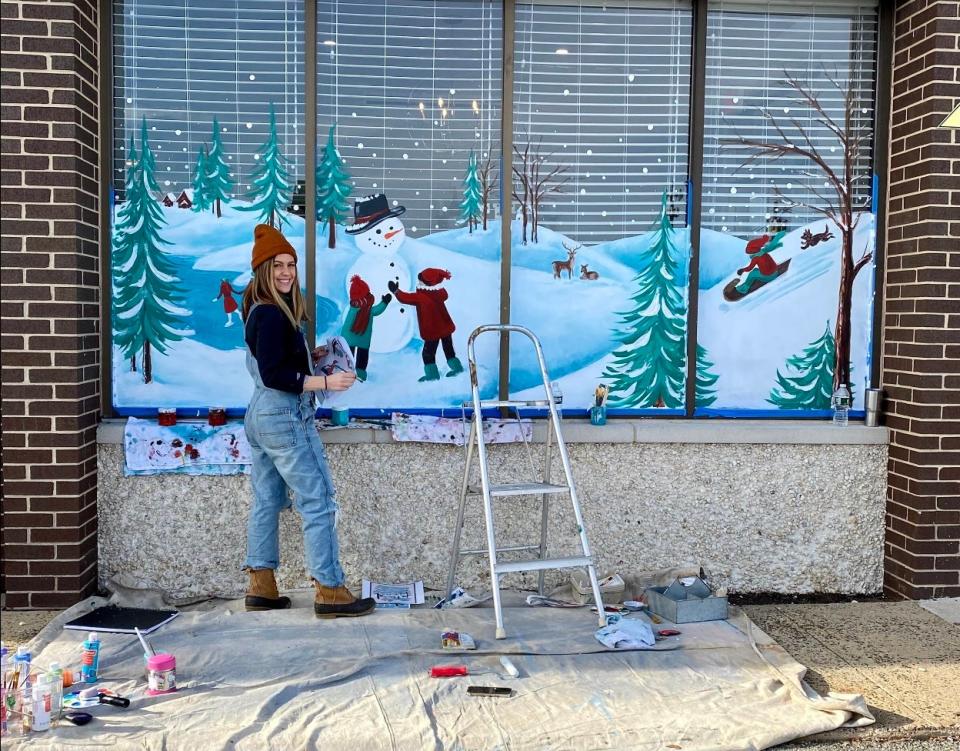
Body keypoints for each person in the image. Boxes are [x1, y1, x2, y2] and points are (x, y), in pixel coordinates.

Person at [240, 224, 375, 618]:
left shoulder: (259, 311)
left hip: (260, 417)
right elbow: (275, 375)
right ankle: (330, 590)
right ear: (263, 271)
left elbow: (276, 363)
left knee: (267, 500)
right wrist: (327, 380)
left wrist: (308, 357)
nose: (286, 272)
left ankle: (261, 585)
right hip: (284, 417)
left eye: (291, 265)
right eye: (277, 266)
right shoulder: (272, 315)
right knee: (318, 502)